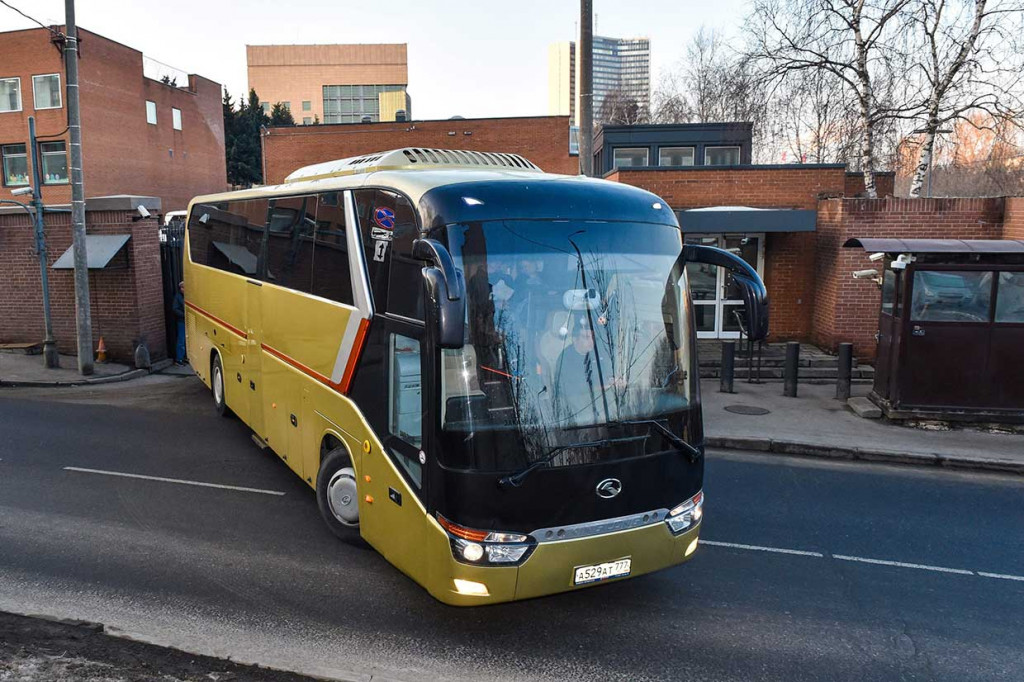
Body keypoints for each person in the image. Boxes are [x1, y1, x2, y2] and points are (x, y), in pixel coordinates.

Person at [172, 281, 187, 365]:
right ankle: (179, 359)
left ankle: (183, 357)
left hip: (185, 320)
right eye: (183, 288)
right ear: (181, 288)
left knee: (185, 340)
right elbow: (175, 309)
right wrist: (183, 315)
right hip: (182, 321)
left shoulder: (184, 297)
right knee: (181, 340)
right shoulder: (178, 297)